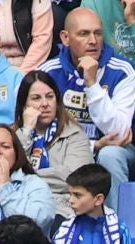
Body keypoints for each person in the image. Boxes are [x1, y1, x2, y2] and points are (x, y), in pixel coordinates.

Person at [37, 7, 135, 209]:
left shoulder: (123, 71)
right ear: (66, 38)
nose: (93, 40)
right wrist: (93, 145)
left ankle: (115, 229)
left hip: (119, 151)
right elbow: (41, 130)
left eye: (98, 33)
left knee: (110, 154)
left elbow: (117, 132)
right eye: (84, 34)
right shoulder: (48, 73)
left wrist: (92, 85)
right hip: (66, 150)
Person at [13, 70, 94, 216]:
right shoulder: (11, 137)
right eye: (36, 98)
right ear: (24, 105)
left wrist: (25, 177)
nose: (44, 104)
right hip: (19, 205)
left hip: (62, 208)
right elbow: (8, 172)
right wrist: (26, 132)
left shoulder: (75, 134)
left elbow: (77, 180)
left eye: (50, 97)